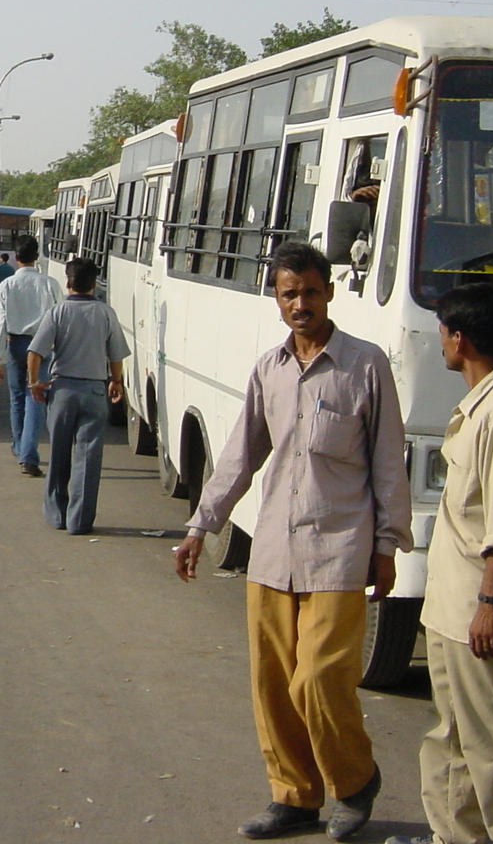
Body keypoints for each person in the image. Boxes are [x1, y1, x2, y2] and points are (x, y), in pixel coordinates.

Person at [173, 240, 412, 842]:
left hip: (340, 548)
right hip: (274, 549)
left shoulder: (365, 364)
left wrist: (387, 543)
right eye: (289, 293)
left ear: (329, 291)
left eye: (310, 290)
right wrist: (202, 524)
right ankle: (295, 798)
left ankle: (355, 783)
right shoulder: (268, 369)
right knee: (273, 683)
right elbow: (240, 454)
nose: (300, 303)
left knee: (320, 679)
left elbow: (388, 461)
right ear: (275, 299)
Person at [386, 283, 493, 844]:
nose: (441, 344)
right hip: (449, 603)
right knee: (451, 737)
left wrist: (488, 605)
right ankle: (455, 836)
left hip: (473, 608)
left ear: (459, 339)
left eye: (443, 333)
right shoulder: (478, 406)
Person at [28, 256, 129, 533]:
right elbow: (116, 355)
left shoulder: (57, 312)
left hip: (62, 391)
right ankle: (80, 521)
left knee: (59, 453)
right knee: (88, 457)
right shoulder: (106, 313)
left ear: (68, 282)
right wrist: (116, 382)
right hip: (95, 390)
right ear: (94, 284)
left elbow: (35, 352)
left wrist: (35, 382)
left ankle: (57, 515)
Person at [0, 237, 63, 477]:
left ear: (16, 257)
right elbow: (60, 319)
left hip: (15, 343)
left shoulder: (7, 285)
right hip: (42, 346)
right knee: (36, 397)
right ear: (37, 256)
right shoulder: (50, 284)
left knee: (17, 397)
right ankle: (28, 456)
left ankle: (20, 447)